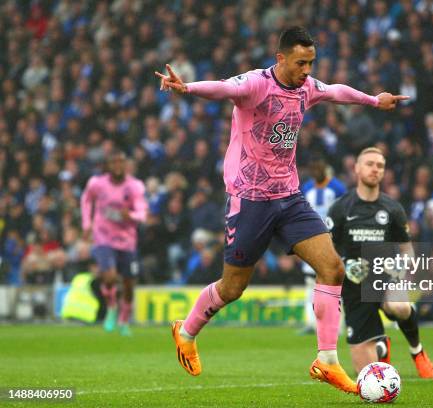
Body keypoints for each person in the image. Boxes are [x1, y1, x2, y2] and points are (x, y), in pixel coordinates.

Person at [155, 26, 407, 394]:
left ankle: (327, 361)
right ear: (281, 58)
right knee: (232, 287)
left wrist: (373, 100)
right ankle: (187, 331)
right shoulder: (257, 84)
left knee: (332, 268)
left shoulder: (306, 88)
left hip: (289, 196)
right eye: (301, 62)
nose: (307, 70)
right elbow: (225, 87)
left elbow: (336, 91)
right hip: (250, 199)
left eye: (311, 63)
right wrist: (187, 88)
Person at [327, 147, 433, 378]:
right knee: (366, 375)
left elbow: (408, 251)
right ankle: (381, 345)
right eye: (369, 164)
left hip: (385, 277)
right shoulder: (340, 208)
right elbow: (326, 250)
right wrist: (344, 264)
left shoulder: (393, 209)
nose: (375, 169)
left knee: (399, 306)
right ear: (356, 169)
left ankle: (417, 351)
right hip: (354, 284)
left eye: (380, 165)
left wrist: (399, 266)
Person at [81, 151, 148, 336]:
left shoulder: (134, 186)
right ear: (108, 165)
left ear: (125, 165)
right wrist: (87, 223)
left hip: (127, 241)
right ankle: (111, 307)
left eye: (121, 162)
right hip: (103, 237)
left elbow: (142, 212)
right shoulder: (97, 184)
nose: (118, 166)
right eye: (114, 162)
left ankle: (124, 320)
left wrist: (131, 215)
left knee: (128, 284)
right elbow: (86, 200)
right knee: (109, 276)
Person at [299, 156, 346, 334]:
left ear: (325, 168)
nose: (316, 172)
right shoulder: (306, 188)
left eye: (319, 168)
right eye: (313, 169)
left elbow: (343, 212)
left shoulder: (337, 188)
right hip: (310, 239)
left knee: (335, 281)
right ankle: (311, 324)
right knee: (310, 281)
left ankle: (339, 325)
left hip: (333, 241)